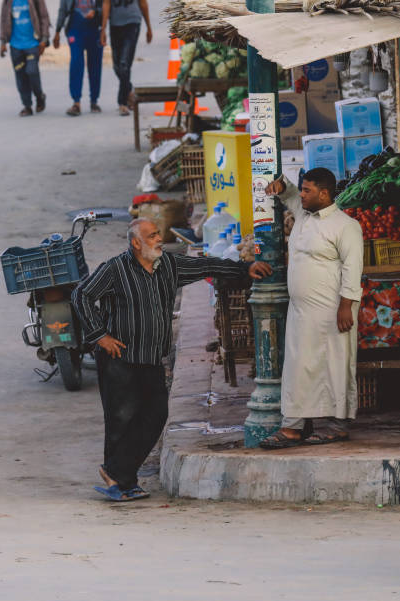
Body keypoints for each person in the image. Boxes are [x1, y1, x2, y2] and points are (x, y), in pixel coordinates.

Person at [72, 218, 271, 501]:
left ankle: (116, 473)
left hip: (152, 356)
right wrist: (99, 335)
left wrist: (245, 269)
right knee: (121, 419)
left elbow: (207, 266)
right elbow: (81, 295)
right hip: (120, 357)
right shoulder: (115, 269)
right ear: (136, 243)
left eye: (158, 234)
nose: (158, 239)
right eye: (152, 236)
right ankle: (123, 482)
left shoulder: (169, 266)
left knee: (156, 413)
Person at [259, 168, 363, 449]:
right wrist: (282, 186)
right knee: (298, 367)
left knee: (335, 365)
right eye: (302, 189)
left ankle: (338, 425)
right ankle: (293, 427)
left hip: (332, 311)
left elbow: (353, 270)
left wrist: (345, 306)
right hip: (301, 311)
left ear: (324, 193)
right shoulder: (304, 213)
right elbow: (290, 193)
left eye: (308, 190)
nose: (302, 195)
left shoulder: (346, 226)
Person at [100, 0, 152, 116]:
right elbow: (106, 3)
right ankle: (129, 91)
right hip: (115, 25)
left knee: (125, 64)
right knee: (116, 66)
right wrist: (103, 30)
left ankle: (122, 103)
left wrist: (149, 27)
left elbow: (143, 3)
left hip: (132, 22)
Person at [0, 0, 50, 117]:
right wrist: (3, 42)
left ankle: (39, 96)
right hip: (15, 45)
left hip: (32, 43)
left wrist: (44, 39)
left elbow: (44, 16)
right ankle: (27, 105)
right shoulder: (8, 1)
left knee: (32, 71)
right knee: (20, 75)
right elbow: (3, 19)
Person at [53, 0, 103, 116]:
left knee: (95, 65)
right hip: (75, 29)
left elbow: (106, 7)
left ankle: (94, 100)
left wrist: (96, 12)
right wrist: (57, 31)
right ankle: (76, 102)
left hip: (94, 29)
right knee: (76, 63)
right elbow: (63, 10)